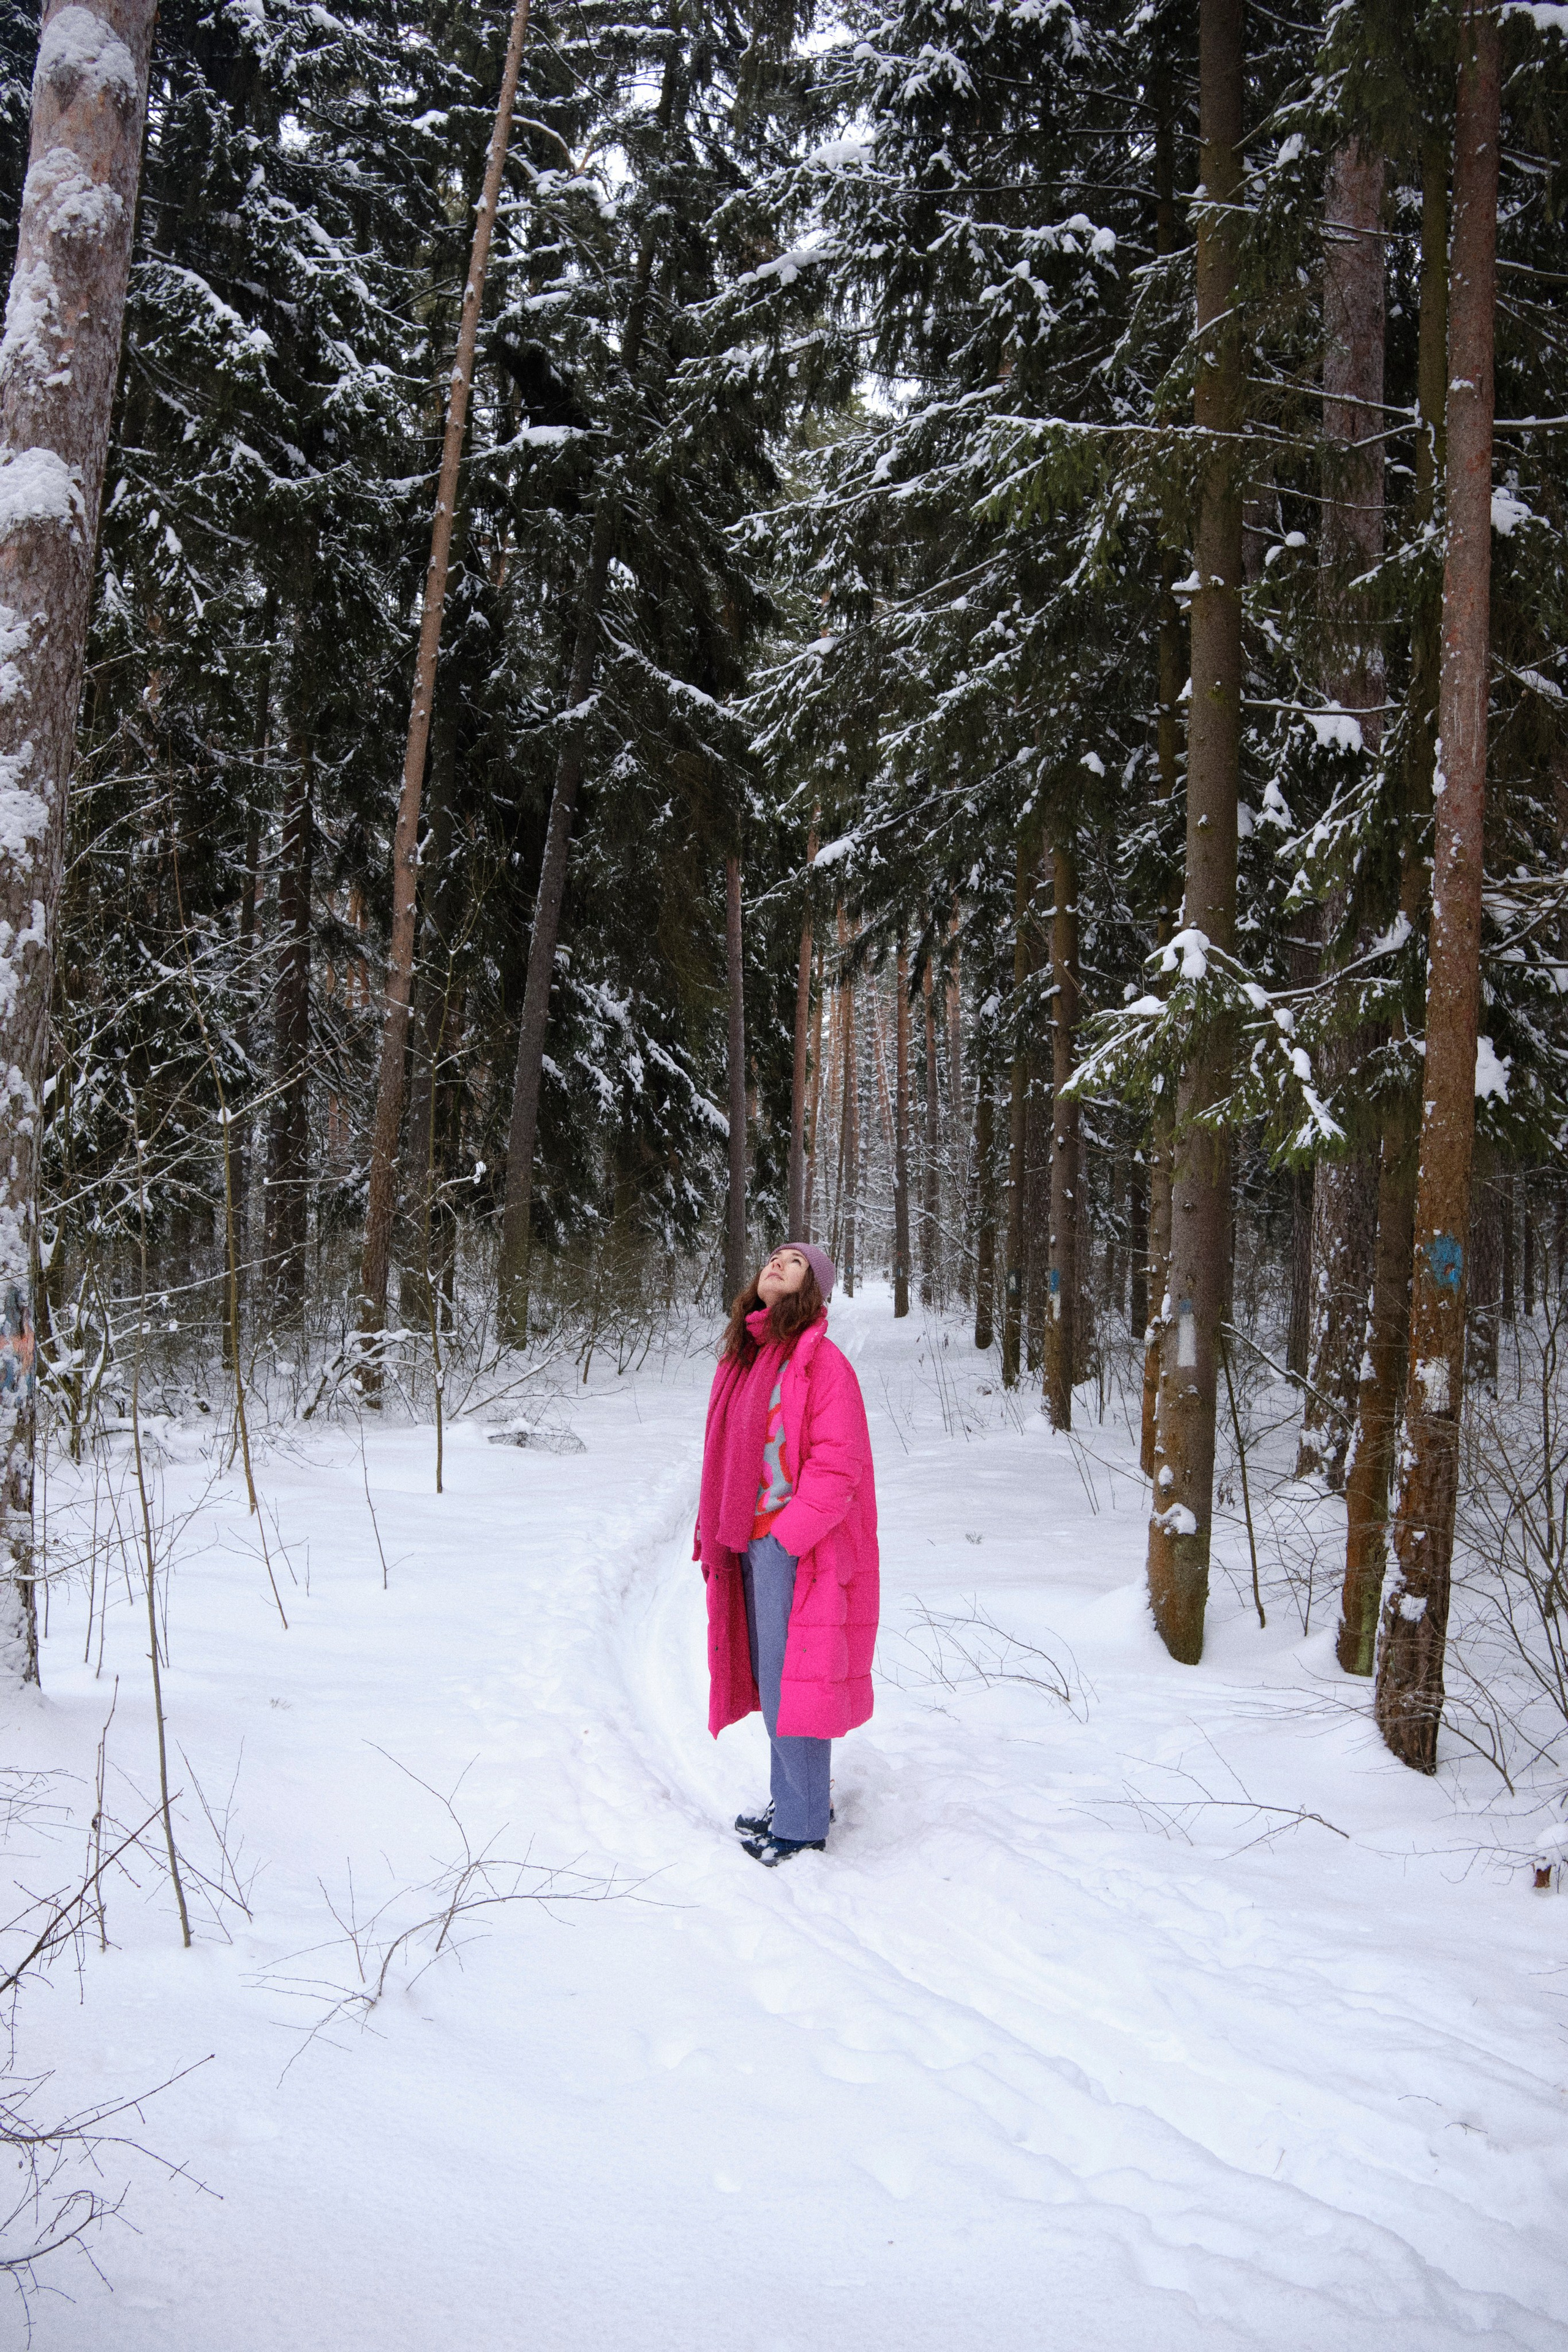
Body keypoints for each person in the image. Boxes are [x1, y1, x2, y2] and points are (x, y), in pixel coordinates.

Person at [695, 1243, 879, 1865]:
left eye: (794, 1263)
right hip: (747, 1538)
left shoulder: (820, 1363)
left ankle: (801, 1826)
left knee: (791, 1683)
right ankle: (792, 1798)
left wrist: (786, 1536)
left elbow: (838, 1463)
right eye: (774, 1256)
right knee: (776, 1682)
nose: (776, 1263)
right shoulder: (747, 1356)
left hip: (790, 1547)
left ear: (812, 1289)